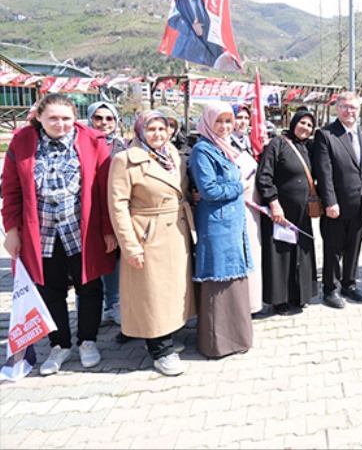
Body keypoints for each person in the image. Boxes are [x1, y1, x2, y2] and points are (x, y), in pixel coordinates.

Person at [1, 94, 117, 375]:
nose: (60, 124)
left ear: (74, 118)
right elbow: (12, 190)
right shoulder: (22, 142)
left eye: (66, 118)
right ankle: (59, 344)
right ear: (39, 116)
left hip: (81, 229)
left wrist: (107, 230)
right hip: (41, 232)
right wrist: (12, 230)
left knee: (89, 286)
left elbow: (103, 190)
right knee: (49, 289)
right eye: (53, 118)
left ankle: (87, 340)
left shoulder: (92, 141)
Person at [107, 110, 196, 376]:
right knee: (152, 293)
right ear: (140, 130)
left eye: (163, 128)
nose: (158, 134)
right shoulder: (125, 160)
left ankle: (166, 335)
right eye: (152, 129)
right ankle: (160, 350)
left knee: (171, 290)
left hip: (177, 230)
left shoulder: (172, 156)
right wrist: (130, 245)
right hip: (148, 231)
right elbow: (118, 205)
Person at [188, 101, 254, 358]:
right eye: (219, 121)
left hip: (231, 222)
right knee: (218, 280)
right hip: (216, 224)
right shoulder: (202, 150)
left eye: (229, 121)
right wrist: (239, 186)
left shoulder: (224, 148)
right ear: (207, 122)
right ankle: (217, 342)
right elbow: (209, 190)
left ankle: (238, 337)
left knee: (233, 279)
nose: (225, 126)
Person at [313, 92, 362, 309]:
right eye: (345, 107)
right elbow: (325, 172)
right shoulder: (325, 135)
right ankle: (330, 289)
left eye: (353, 107)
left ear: (359, 110)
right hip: (337, 206)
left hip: (361, 204)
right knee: (333, 248)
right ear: (337, 108)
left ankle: (349, 284)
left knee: (354, 246)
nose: (349, 111)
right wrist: (330, 201)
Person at [256, 108, 318, 315]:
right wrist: (274, 203)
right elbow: (264, 176)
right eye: (302, 123)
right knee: (281, 255)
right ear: (293, 123)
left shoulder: (307, 148)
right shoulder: (277, 144)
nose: (305, 128)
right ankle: (279, 300)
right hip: (281, 212)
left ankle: (299, 294)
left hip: (302, 212)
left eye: (310, 125)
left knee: (300, 253)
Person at [87, 101, 128, 327]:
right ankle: (94, 308)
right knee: (89, 261)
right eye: (98, 118)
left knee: (113, 259)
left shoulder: (123, 148)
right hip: (87, 212)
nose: (103, 123)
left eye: (109, 118)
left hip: (114, 211)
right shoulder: (79, 145)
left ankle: (113, 304)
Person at [230, 103, 264, 316]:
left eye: (245, 118)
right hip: (236, 208)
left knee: (254, 252)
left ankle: (254, 301)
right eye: (238, 117)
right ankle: (239, 305)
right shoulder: (225, 145)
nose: (242, 122)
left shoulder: (250, 145)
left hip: (254, 209)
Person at [167, 0, 224, 67]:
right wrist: (190, 28)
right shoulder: (179, 0)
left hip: (209, 52)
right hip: (186, 50)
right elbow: (173, 19)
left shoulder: (208, 1)